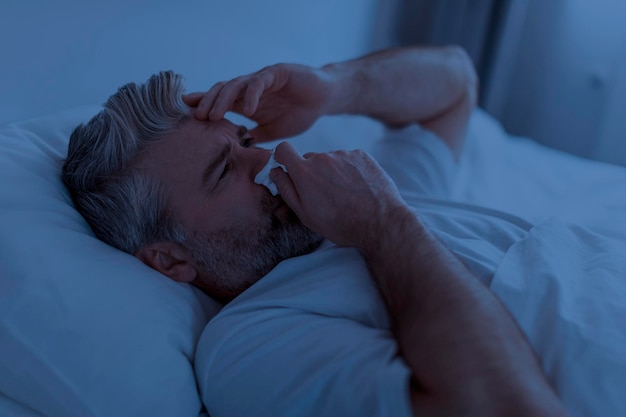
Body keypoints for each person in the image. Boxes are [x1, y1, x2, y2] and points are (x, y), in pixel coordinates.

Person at [62, 46, 569, 416]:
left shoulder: (355, 204)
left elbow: (454, 84)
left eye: (244, 139)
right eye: (223, 171)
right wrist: (382, 223)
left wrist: (333, 89)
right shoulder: (250, 345)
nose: (266, 156)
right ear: (170, 260)